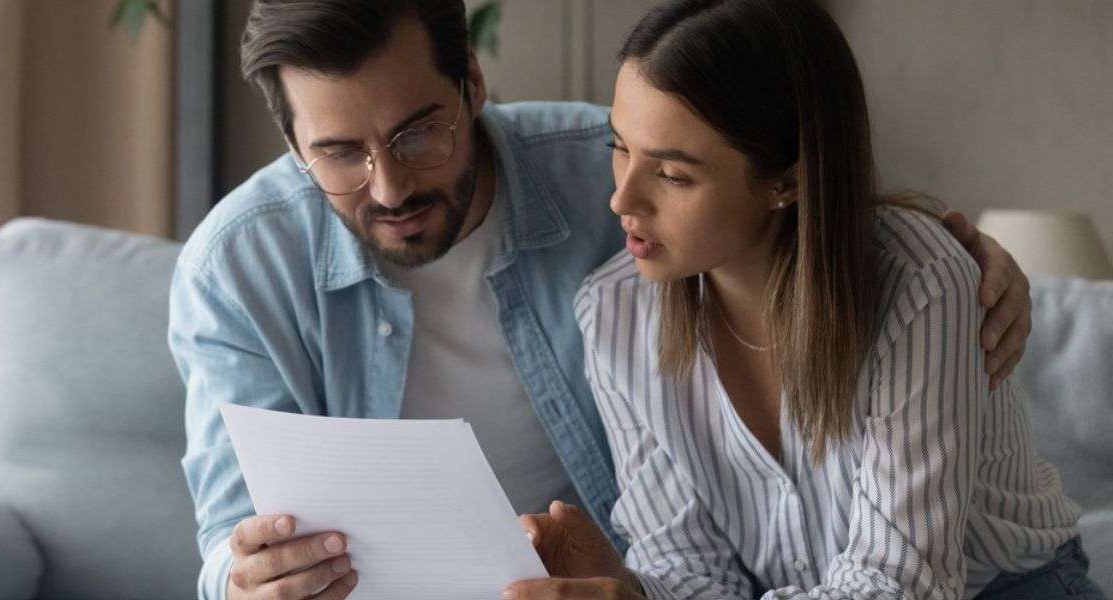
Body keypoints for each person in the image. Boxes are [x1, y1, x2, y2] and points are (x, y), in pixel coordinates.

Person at [167, 2, 1037, 599]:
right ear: (290, 142)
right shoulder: (234, 271)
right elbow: (226, 541)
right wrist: (247, 578)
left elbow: (796, 191)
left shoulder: (602, 165)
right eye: (338, 153)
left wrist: (947, 249)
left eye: (417, 131)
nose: (388, 183)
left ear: (472, 83)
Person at [505, 1, 1105, 599]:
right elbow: (691, 572)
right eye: (620, 147)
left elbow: (898, 582)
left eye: (673, 175)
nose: (622, 198)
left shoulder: (920, 283)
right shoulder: (613, 314)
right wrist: (628, 589)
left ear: (787, 179)